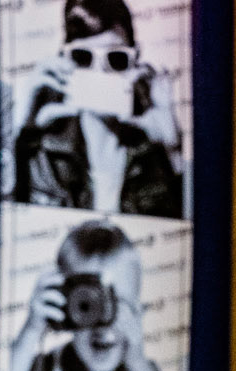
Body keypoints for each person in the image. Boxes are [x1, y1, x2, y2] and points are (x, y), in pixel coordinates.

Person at [8, 220, 182, 371]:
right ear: (63, 305)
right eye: (87, 304)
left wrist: (137, 361)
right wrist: (31, 330)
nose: (103, 323)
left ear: (139, 312)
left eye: (116, 303)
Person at [12, 0, 183, 219]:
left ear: (136, 59)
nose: (99, 72)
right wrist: (18, 128)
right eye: (83, 57)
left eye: (116, 58)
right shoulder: (44, 155)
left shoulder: (155, 150)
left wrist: (174, 152)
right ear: (64, 59)